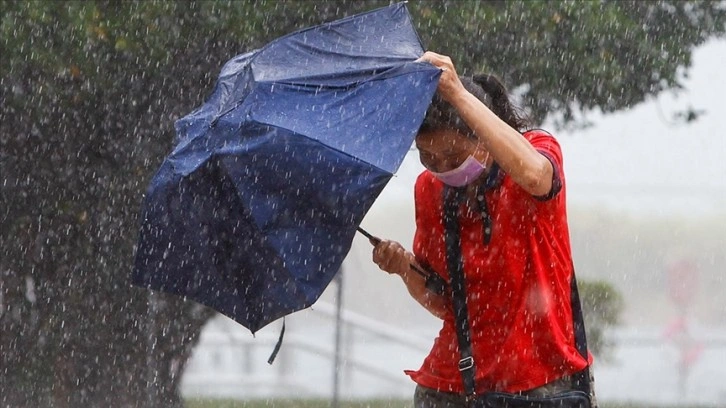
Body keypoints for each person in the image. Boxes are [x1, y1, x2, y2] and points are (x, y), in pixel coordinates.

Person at [369, 51, 598, 407]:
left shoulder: (534, 150)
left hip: (541, 382)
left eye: (453, 155)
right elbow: (445, 303)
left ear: (482, 137)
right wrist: (403, 268)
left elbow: (537, 176)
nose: (441, 167)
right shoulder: (429, 191)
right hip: (453, 384)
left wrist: (457, 94)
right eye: (428, 157)